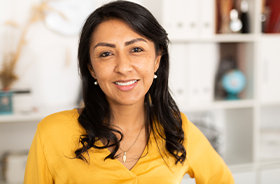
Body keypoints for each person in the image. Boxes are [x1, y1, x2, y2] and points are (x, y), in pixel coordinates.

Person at [24, 1, 234, 183]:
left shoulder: (177, 129)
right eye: (106, 53)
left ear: (156, 61)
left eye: (136, 49)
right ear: (91, 68)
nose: (123, 67)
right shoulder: (51, 133)